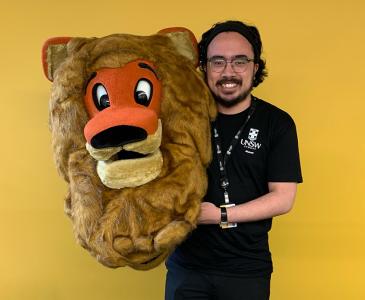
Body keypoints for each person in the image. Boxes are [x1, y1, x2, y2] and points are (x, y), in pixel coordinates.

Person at [165, 20, 303, 300]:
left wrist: (220, 215)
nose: (228, 72)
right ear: (204, 68)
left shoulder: (277, 123)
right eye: (218, 62)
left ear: (255, 67)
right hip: (186, 268)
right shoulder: (181, 119)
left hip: (247, 269)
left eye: (239, 61)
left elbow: (283, 198)